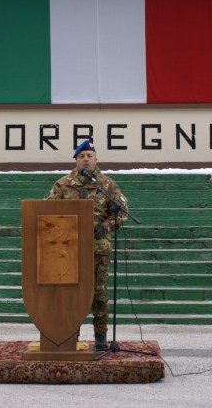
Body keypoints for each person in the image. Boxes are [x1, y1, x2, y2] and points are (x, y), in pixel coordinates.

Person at [45, 140, 128, 351]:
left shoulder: (108, 185)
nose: (85, 159)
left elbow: (122, 212)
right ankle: (71, 334)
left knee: (98, 292)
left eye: (89, 156)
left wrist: (106, 225)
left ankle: (100, 335)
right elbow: (45, 212)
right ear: (76, 160)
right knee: (70, 292)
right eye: (81, 156)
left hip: (97, 248)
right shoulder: (63, 185)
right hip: (67, 249)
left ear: (96, 159)